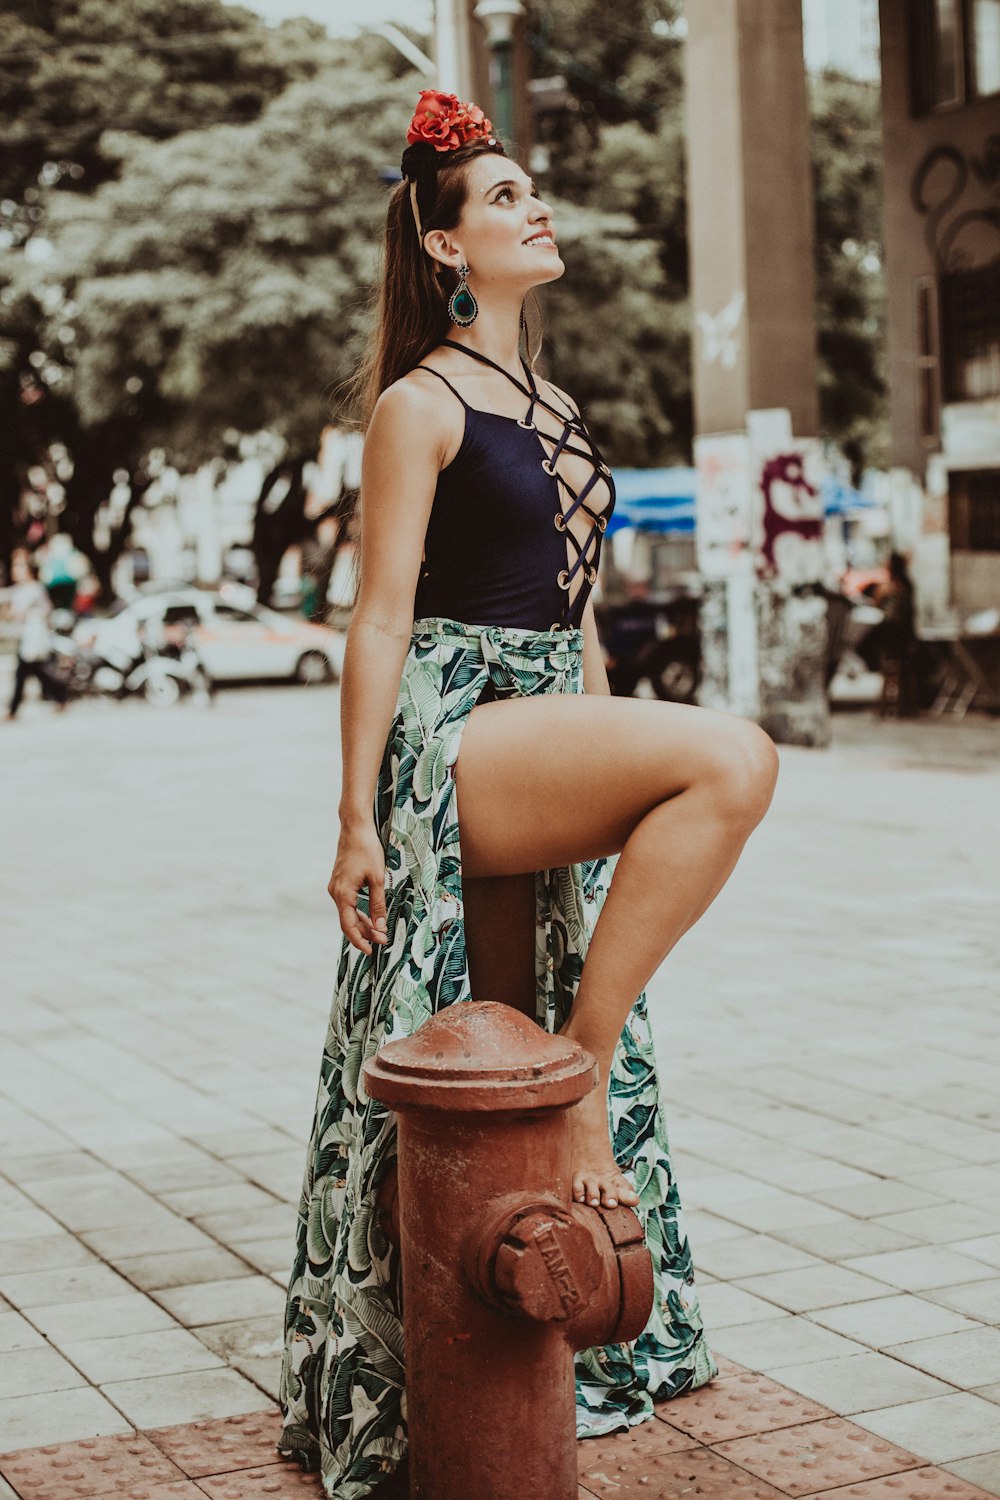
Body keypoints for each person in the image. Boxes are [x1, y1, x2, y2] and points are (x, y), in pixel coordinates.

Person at [277, 90, 779, 1498]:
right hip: (455, 730)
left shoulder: (552, 403)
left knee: (480, 1044)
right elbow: (380, 621)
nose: (532, 207)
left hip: (549, 708)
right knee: (734, 757)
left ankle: (511, 1316)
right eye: (501, 199)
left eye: (527, 190)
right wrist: (356, 815)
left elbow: (583, 620)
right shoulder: (416, 403)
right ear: (444, 247)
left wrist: (604, 747)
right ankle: (590, 1074)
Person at [3, 550, 70, 720]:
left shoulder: (34, 589)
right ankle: (60, 697)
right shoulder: (17, 590)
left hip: (33, 638)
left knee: (25, 672)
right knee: (37, 672)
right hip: (25, 639)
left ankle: (13, 710)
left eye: (19, 567)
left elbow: (22, 612)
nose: (15, 570)